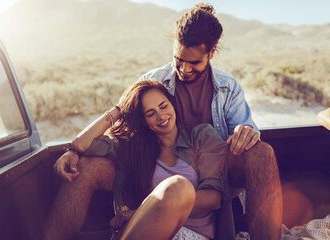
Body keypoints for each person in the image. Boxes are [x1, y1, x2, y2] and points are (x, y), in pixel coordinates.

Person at [47, 3, 282, 240]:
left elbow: (244, 137)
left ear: (211, 53)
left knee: (262, 153)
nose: (184, 69)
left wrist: (246, 133)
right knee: (83, 168)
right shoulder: (152, 82)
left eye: (194, 63)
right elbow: (118, 129)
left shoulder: (227, 88)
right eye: (178, 59)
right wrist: (74, 150)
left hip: (208, 168)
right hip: (152, 164)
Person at [50, 79, 229, 240]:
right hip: (149, 232)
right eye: (150, 113)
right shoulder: (134, 149)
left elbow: (213, 198)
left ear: (172, 104)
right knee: (82, 166)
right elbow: (82, 144)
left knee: (178, 187)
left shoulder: (201, 136)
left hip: (193, 234)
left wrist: (139, 213)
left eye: (163, 106)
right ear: (143, 120)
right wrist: (119, 110)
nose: (161, 116)